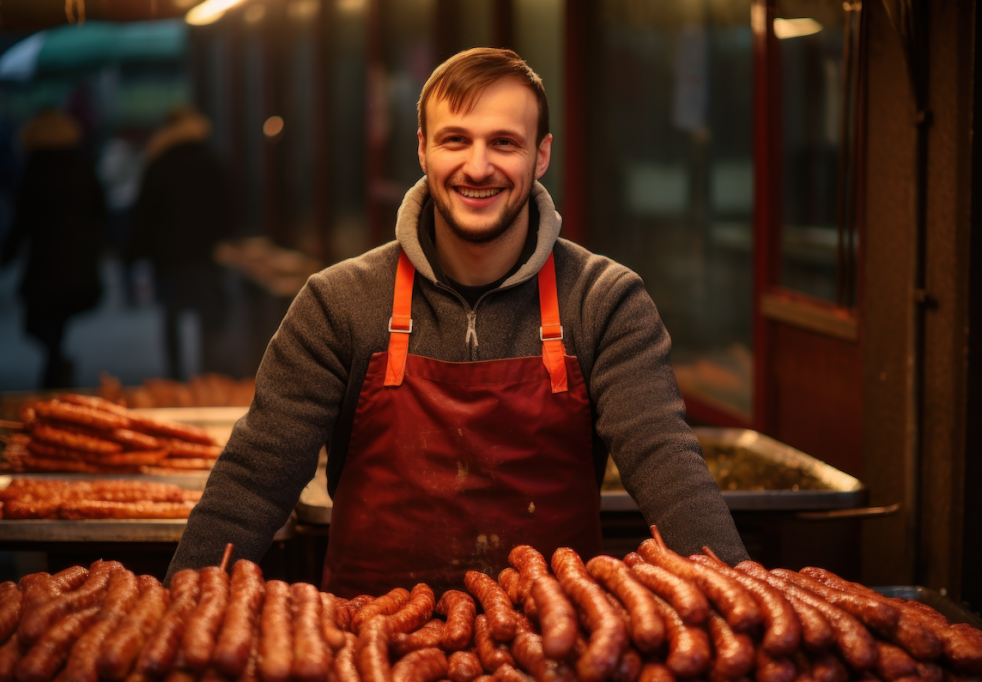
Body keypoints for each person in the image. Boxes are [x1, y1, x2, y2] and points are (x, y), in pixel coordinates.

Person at [167, 48, 747, 595]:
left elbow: (666, 464)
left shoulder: (604, 301)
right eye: (455, 140)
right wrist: (180, 611)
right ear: (422, 150)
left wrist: (743, 606)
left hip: (552, 645)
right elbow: (254, 477)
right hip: (372, 641)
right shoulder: (338, 302)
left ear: (541, 155)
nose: (478, 166)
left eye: (504, 142)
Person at [0, 109, 105, 388]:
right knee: (53, 323)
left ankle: (56, 372)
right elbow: (100, 211)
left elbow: (22, 221)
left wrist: (6, 256)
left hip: (46, 264)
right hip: (77, 260)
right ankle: (57, 369)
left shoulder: (35, 169)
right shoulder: (80, 164)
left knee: (40, 323)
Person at [125, 105, 230, 381]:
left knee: (171, 320)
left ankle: (175, 378)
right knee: (208, 321)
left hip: (168, 258)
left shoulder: (158, 164)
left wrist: (134, 254)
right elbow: (228, 207)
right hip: (204, 257)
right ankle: (210, 378)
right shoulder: (211, 160)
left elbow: (144, 215)